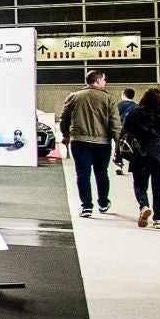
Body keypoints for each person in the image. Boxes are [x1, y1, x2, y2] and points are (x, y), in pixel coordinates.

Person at [58, 69, 120, 218]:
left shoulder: (74, 97)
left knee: (82, 174)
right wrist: (118, 142)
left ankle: (87, 206)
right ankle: (103, 203)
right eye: (104, 79)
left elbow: (64, 118)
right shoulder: (108, 98)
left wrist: (66, 135)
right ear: (97, 80)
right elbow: (115, 122)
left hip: (79, 142)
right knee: (101, 173)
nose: (105, 82)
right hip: (102, 143)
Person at [121, 88, 160, 230]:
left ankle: (144, 206)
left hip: (139, 154)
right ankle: (158, 220)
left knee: (139, 185)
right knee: (159, 188)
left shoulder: (133, 115)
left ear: (143, 100)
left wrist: (118, 157)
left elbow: (123, 135)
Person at [114, 88, 137, 175]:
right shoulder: (136, 106)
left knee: (118, 145)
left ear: (123, 95)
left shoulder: (118, 105)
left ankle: (118, 164)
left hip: (120, 128)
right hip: (132, 130)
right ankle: (133, 161)